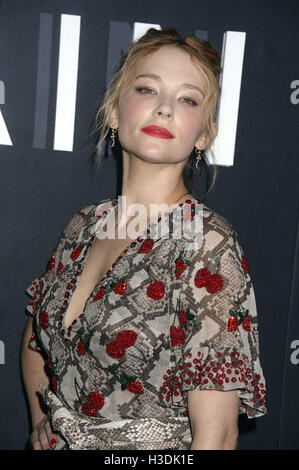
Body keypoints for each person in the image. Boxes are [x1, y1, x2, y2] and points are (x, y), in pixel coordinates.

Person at [21, 27, 267, 451]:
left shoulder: (207, 244)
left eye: (187, 99)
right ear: (116, 113)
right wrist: (43, 420)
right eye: (148, 89)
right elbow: (35, 339)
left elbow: (218, 437)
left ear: (204, 134)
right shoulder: (85, 225)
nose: (165, 109)